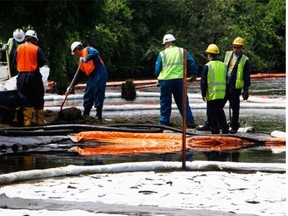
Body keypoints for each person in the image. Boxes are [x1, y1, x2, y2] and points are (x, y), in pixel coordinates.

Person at [155, 34, 198, 127]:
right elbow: (192, 63)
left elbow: (157, 69)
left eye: (165, 44)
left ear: (168, 43)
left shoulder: (162, 54)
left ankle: (164, 122)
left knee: (165, 102)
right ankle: (189, 122)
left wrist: (158, 79)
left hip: (166, 80)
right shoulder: (182, 51)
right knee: (183, 101)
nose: (164, 46)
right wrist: (194, 75)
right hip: (180, 80)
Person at [14, 29, 46, 127]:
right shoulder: (36, 49)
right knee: (38, 97)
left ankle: (27, 122)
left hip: (22, 77)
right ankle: (40, 121)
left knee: (25, 98)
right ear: (33, 39)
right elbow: (42, 63)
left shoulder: (18, 48)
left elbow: (14, 62)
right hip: (34, 76)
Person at [69, 41, 108, 121]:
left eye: (75, 52)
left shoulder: (88, 49)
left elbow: (96, 52)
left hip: (100, 73)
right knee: (88, 93)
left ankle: (98, 114)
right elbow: (78, 75)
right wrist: (71, 85)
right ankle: (86, 113)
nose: (75, 54)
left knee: (98, 92)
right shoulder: (81, 61)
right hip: (92, 76)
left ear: (77, 49)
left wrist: (86, 58)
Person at [224, 37, 251, 133]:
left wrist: (246, 90)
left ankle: (234, 126)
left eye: (238, 47)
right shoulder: (228, 55)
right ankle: (220, 124)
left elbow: (246, 76)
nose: (236, 49)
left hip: (235, 86)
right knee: (218, 105)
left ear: (242, 48)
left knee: (235, 107)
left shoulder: (245, 60)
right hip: (225, 85)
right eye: (234, 47)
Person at [201, 44, 229, 134]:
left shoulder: (207, 66)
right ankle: (225, 129)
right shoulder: (224, 65)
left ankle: (215, 132)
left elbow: (203, 82)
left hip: (212, 95)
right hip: (222, 94)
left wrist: (203, 93)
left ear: (209, 54)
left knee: (211, 114)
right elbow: (227, 80)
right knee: (220, 111)